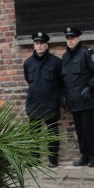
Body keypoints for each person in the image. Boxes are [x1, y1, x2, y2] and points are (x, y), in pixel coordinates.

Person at [60, 26, 94, 167]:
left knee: (88, 130)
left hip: (85, 99)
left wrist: (90, 87)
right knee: (79, 131)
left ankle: (93, 157)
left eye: (72, 38)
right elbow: (64, 79)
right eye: (68, 38)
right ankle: (84, 156)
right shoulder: (65, 57)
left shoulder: (87, 53)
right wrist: (64, 96)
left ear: (78, 38)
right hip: (73, 100)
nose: (70, 40)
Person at [22, 31, 64, 167]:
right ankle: (34, 158)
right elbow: (29, 80)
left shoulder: (56, 62)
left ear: (47, 45)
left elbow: (61, 82)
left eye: (42, 43)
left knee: (52, 132)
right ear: (34, 45)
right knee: (34, 133)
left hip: (51, 102)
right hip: (34, 103)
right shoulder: (28, 63)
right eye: (37, 43)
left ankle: (53, 160)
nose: (39, 46)